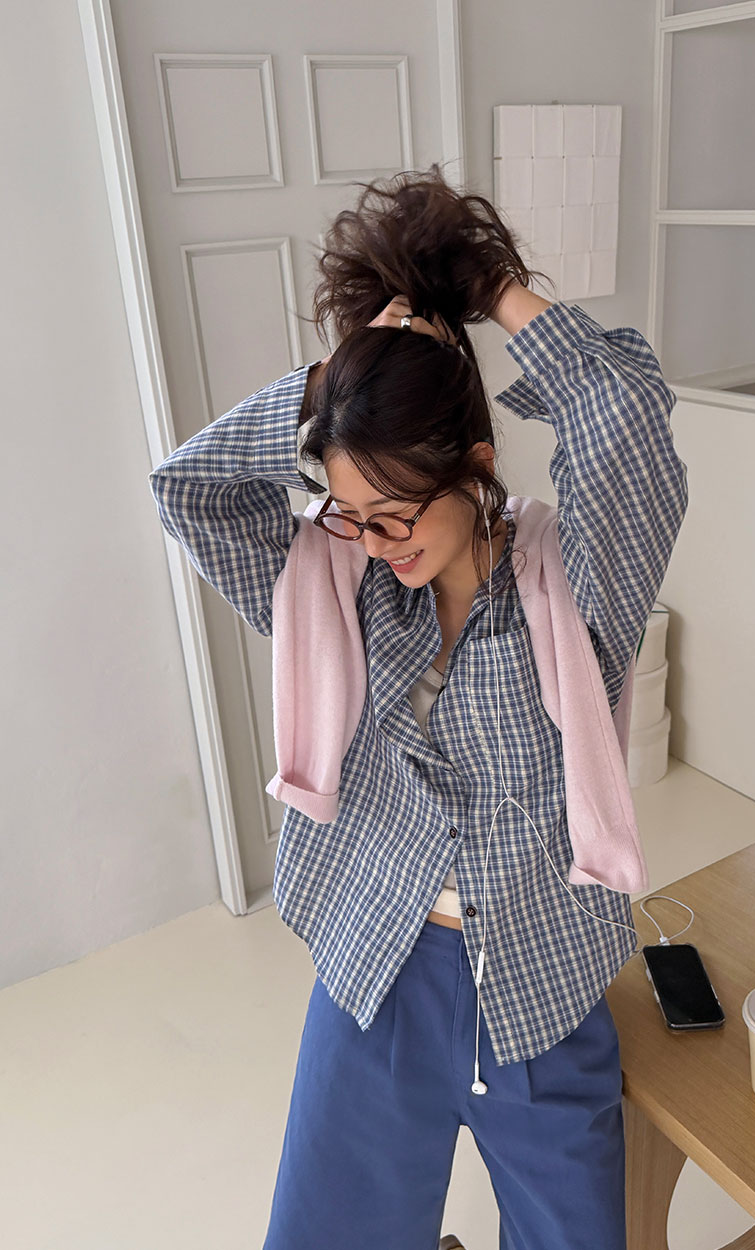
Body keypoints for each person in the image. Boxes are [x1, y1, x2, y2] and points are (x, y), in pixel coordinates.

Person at [148, 164, 689, 1250]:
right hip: (376, 973)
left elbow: (625, 418)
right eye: (348, 512)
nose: (373, 542)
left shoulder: (579, 590)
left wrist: (490, 288)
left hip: (538, 988)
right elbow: (188, 488)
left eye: (395, 515)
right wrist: (340, 383)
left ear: (476, 467)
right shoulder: (338, 591)